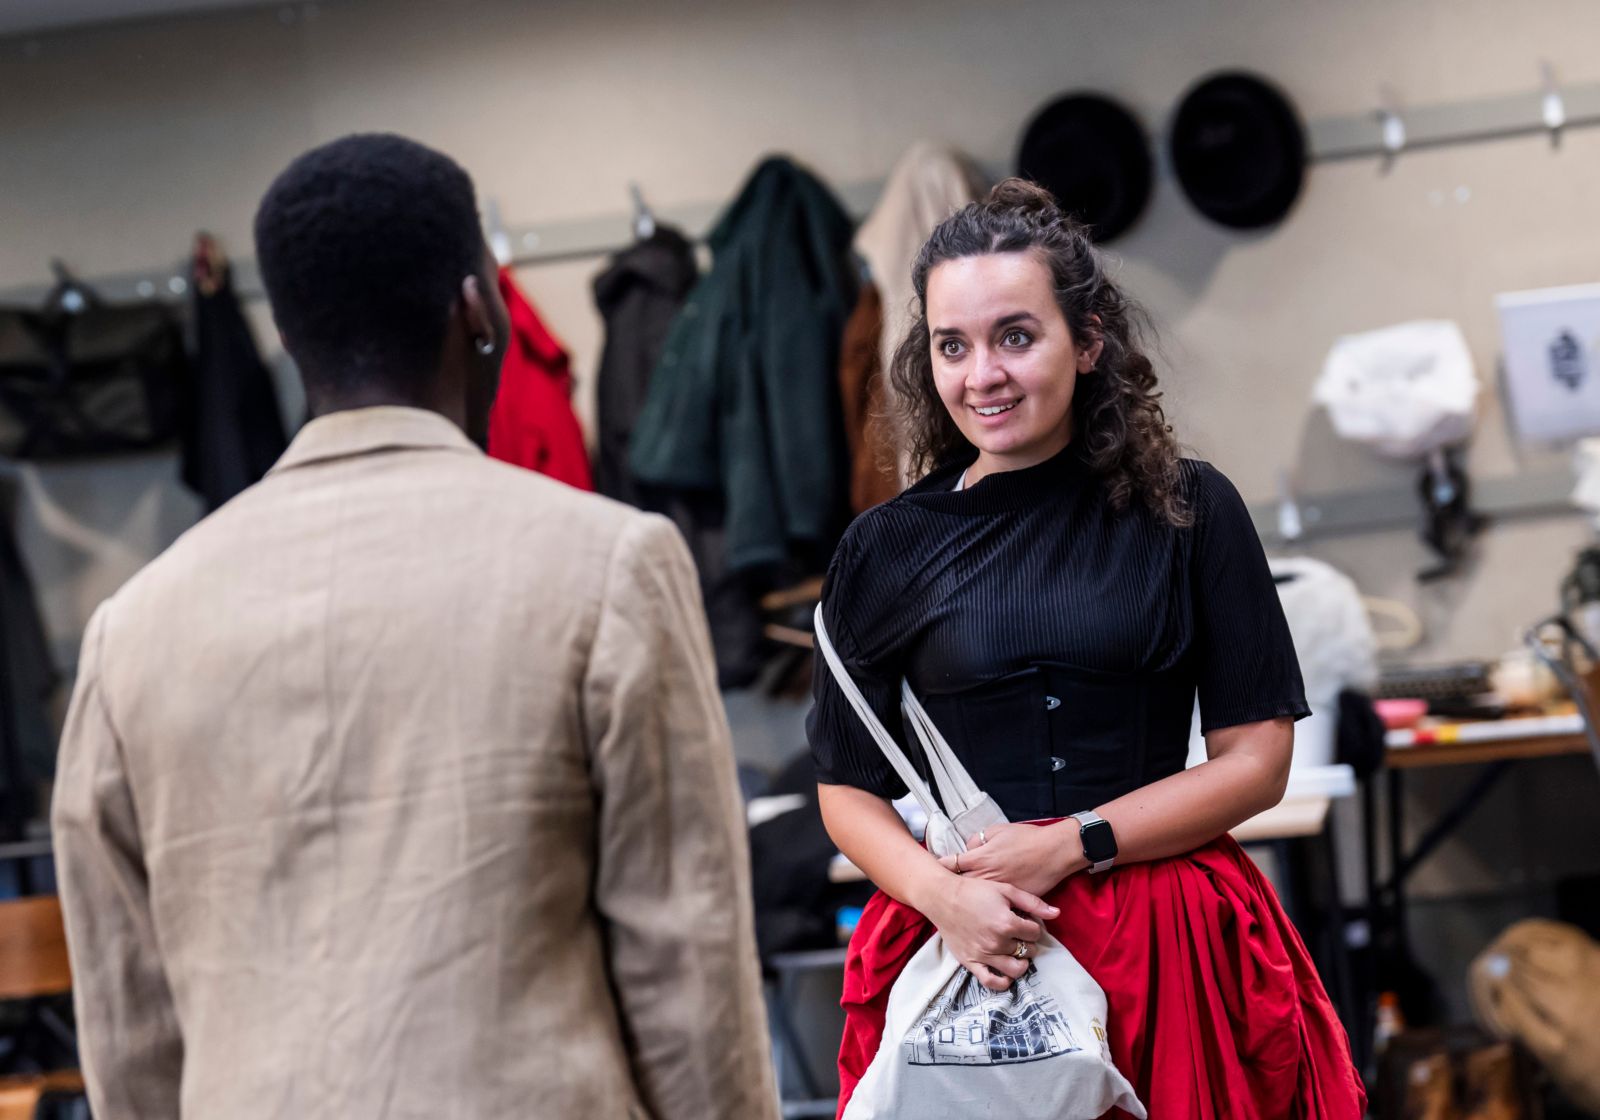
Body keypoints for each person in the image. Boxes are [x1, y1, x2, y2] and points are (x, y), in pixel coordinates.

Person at [52, 133, 777, 1120]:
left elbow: (127, 1021)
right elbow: (685, 970)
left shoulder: (132, 630)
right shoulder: (607, 564)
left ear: (291, 339)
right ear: (477, 311)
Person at [809, 179, 1366, 1118]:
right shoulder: (885, 546)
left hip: (1167, 943)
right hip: (976, 942)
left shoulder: (1188, 509)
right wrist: (941, 898)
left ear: (1089, 340)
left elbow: (1258, 760)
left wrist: (1074, 843)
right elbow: (846, 789)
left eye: (1015, 336)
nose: (982, 375)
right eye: (953, 345)